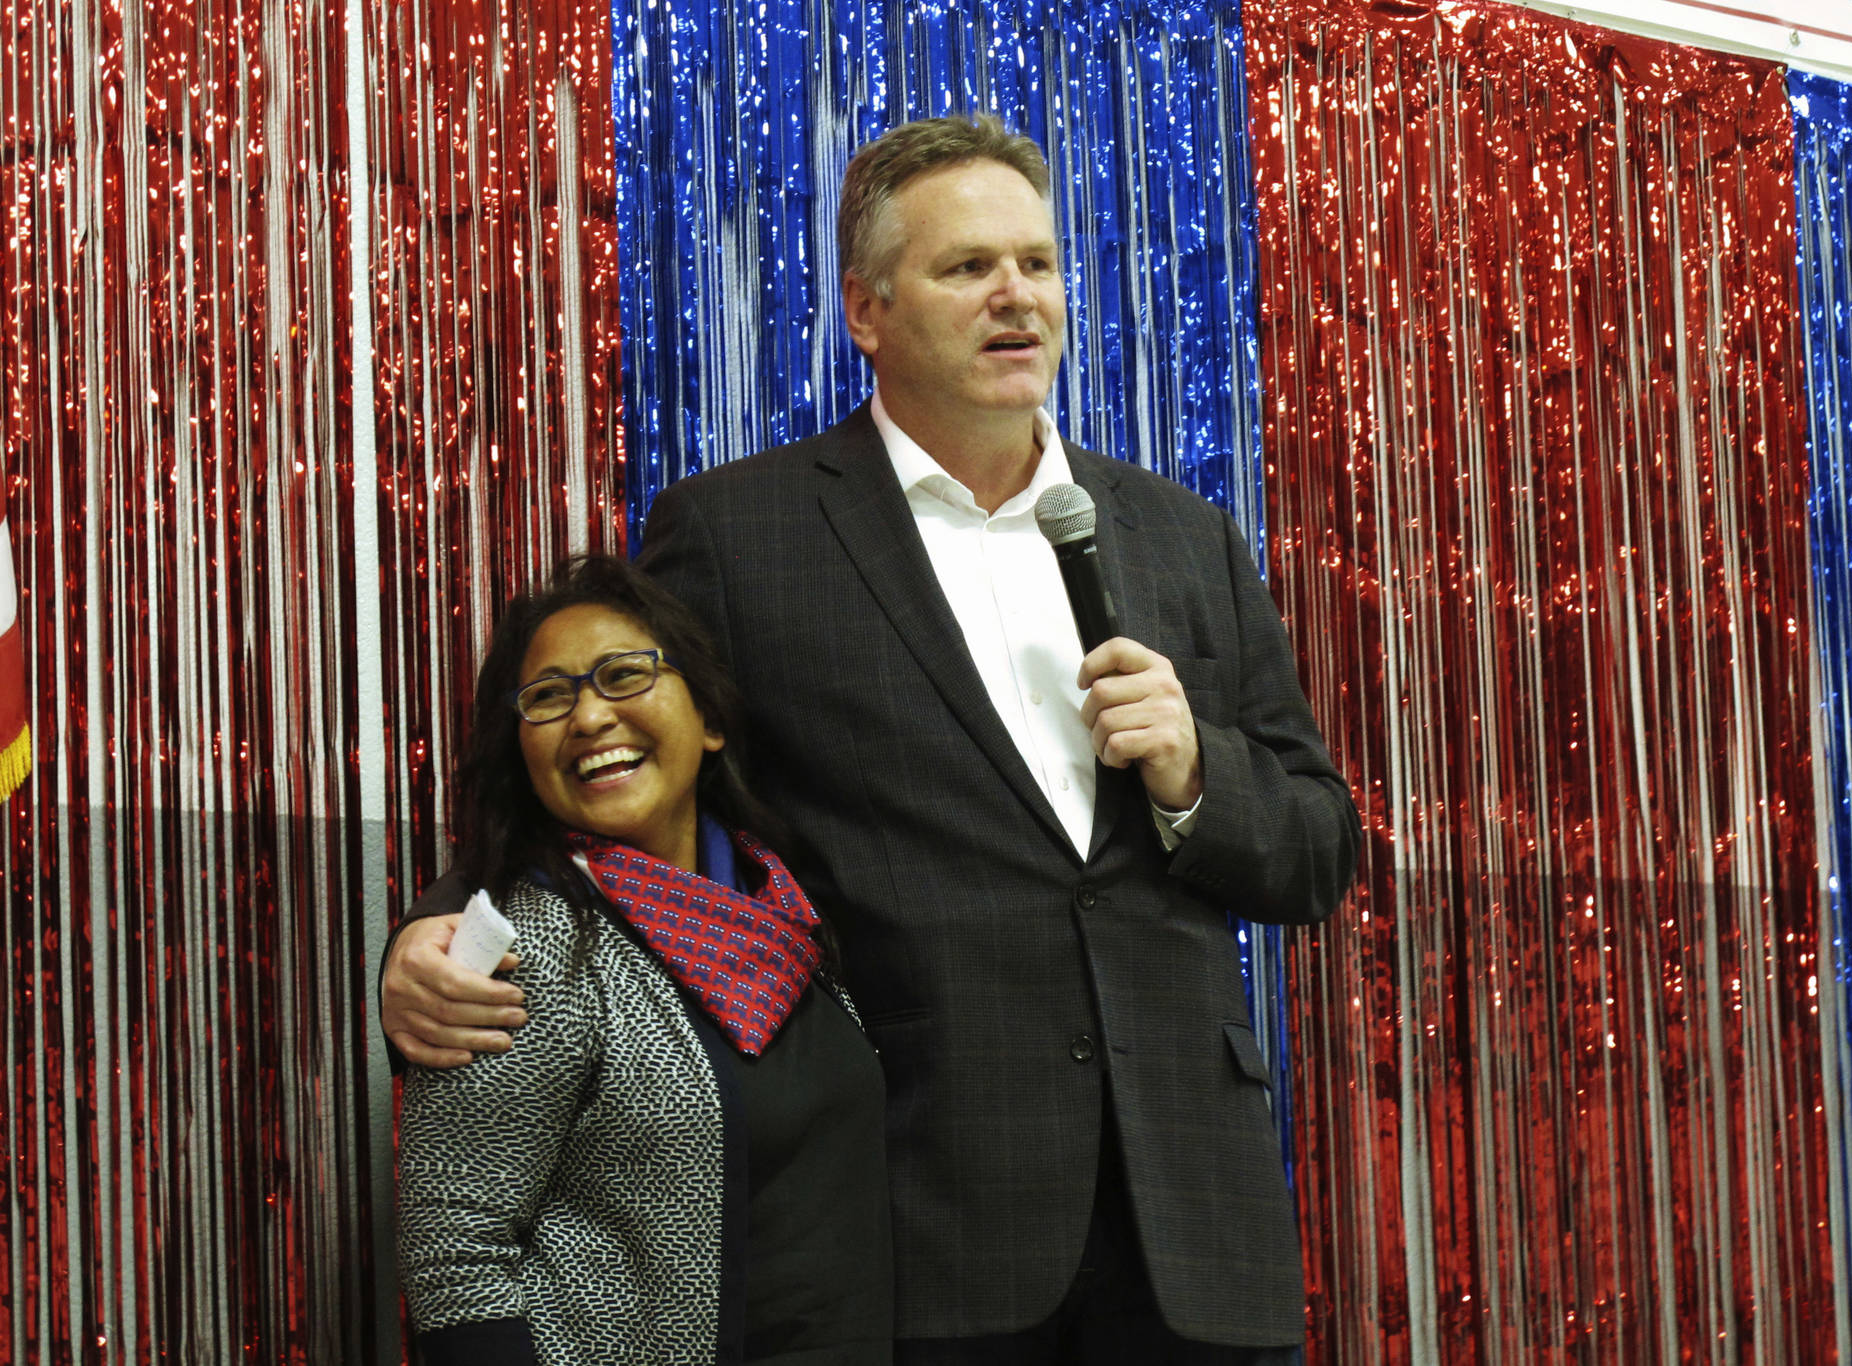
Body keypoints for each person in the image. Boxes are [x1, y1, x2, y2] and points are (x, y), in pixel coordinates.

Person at [384, 114, 1361, 1364]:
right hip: (922, 1221)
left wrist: (1192, 773)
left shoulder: (1179, 534)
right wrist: (437, 925)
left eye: (1038, 264)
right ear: (866, 311)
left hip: (1196, 1225)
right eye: (967, 268)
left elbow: (1318, 844)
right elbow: (614, 757)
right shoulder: (743, 532)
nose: (1017, 295)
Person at [395, 554, 892, 1366]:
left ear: (709, 721)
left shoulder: (790, 914)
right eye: (549, 697)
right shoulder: (528, 946)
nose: (589, 718)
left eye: (624, 675)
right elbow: (456, 1250)